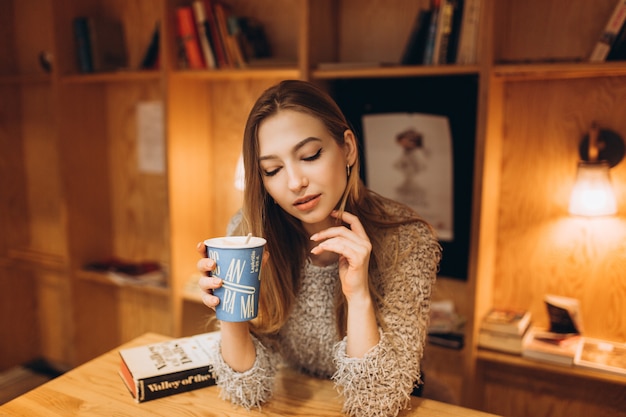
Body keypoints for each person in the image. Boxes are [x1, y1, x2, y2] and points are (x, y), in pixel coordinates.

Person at [196, 80, 441, 417]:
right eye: (273, 169)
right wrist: (230, 312)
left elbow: (377, 403)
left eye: (310, 155)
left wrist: (358, 295)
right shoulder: (250, 234)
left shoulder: (408, 240)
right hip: (295, 401)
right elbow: (246, 391)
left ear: (348, 148)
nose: (295, 182)